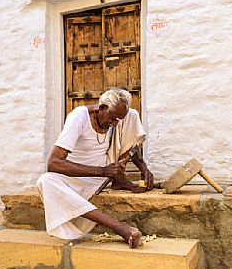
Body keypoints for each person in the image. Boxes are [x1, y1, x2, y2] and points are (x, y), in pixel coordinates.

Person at [37, 88, 153, 247]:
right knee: (46, 181)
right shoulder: (79, 117)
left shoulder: (119, 118)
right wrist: (103, 171)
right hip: (77, 176)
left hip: (103, 173)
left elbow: (132, 141)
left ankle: (119, 181)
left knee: (132, 115)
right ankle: (120, 228)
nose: (115, 124)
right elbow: (53, 163)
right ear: (102, 108)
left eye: (118, 119)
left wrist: (143, 168)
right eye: (112, 118)